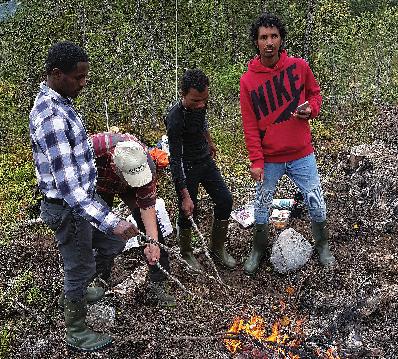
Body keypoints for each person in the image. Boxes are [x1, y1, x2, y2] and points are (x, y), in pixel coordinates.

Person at [29, 41, 159, 352]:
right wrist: (111, 221)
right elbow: (70, 191)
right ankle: (75, 329)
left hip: (82, 203)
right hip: (68, 208)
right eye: (78, 77)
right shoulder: (51, 118)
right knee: (80, 265)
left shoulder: (61, 102)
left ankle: (80, 288)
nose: (84, 82)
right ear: (57, 74)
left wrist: (123, 229)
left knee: (113, 242)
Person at [239, 13, 336, 275]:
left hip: (301, 153)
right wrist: (256, 161)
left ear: (281, 39)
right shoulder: (248, 81)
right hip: (269, 158)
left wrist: (311, 109)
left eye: (274, 36)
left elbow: (315, 95)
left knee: (316, 201)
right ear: (256, 42)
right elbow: (249, 125)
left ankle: (322, 244)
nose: (269, 42)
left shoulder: (299, 67)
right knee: (261, 204)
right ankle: (258, 248)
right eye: (263, 37)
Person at [90, 131, 176, 307]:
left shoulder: (145, 164)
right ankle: (99, 281)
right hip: (99, 185)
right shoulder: (95, 147)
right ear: (115, 166)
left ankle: (158, 282)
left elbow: (147, 207)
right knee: (99, 234)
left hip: (129, 184)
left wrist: (152, 242)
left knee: (153, 232)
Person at [165, 69, 236, 271]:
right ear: (183, 94)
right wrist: (184, 194)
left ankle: (217, 248)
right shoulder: (175, 119)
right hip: (186, 166)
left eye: (204, 99)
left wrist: (210, 142)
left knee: (225, 200)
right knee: (188, 210)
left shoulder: (201, 102)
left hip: (204, 159)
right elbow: (175, 160)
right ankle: (187, 253)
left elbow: (202, 122)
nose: (201, 104)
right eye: (195, 101)